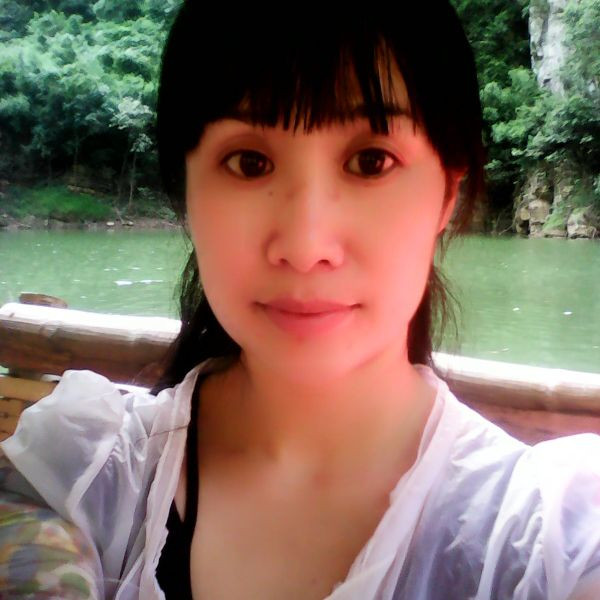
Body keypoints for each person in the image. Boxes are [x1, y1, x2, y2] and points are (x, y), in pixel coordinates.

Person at [1, 1, 599, 599]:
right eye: (250, 163)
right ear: (187, 193)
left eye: (371, 162)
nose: (307, 246)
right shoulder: (79, 480)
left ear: (448, 192)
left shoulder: (542, 546)